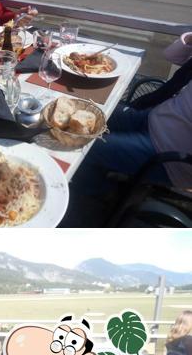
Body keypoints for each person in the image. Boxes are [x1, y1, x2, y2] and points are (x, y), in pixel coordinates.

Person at [70, 32, 192, 220]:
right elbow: (172, 56)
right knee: (91, 112)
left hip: (166, 153)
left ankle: (100, 195)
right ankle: (105, 172)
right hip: (152, 118)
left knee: (85, 149)